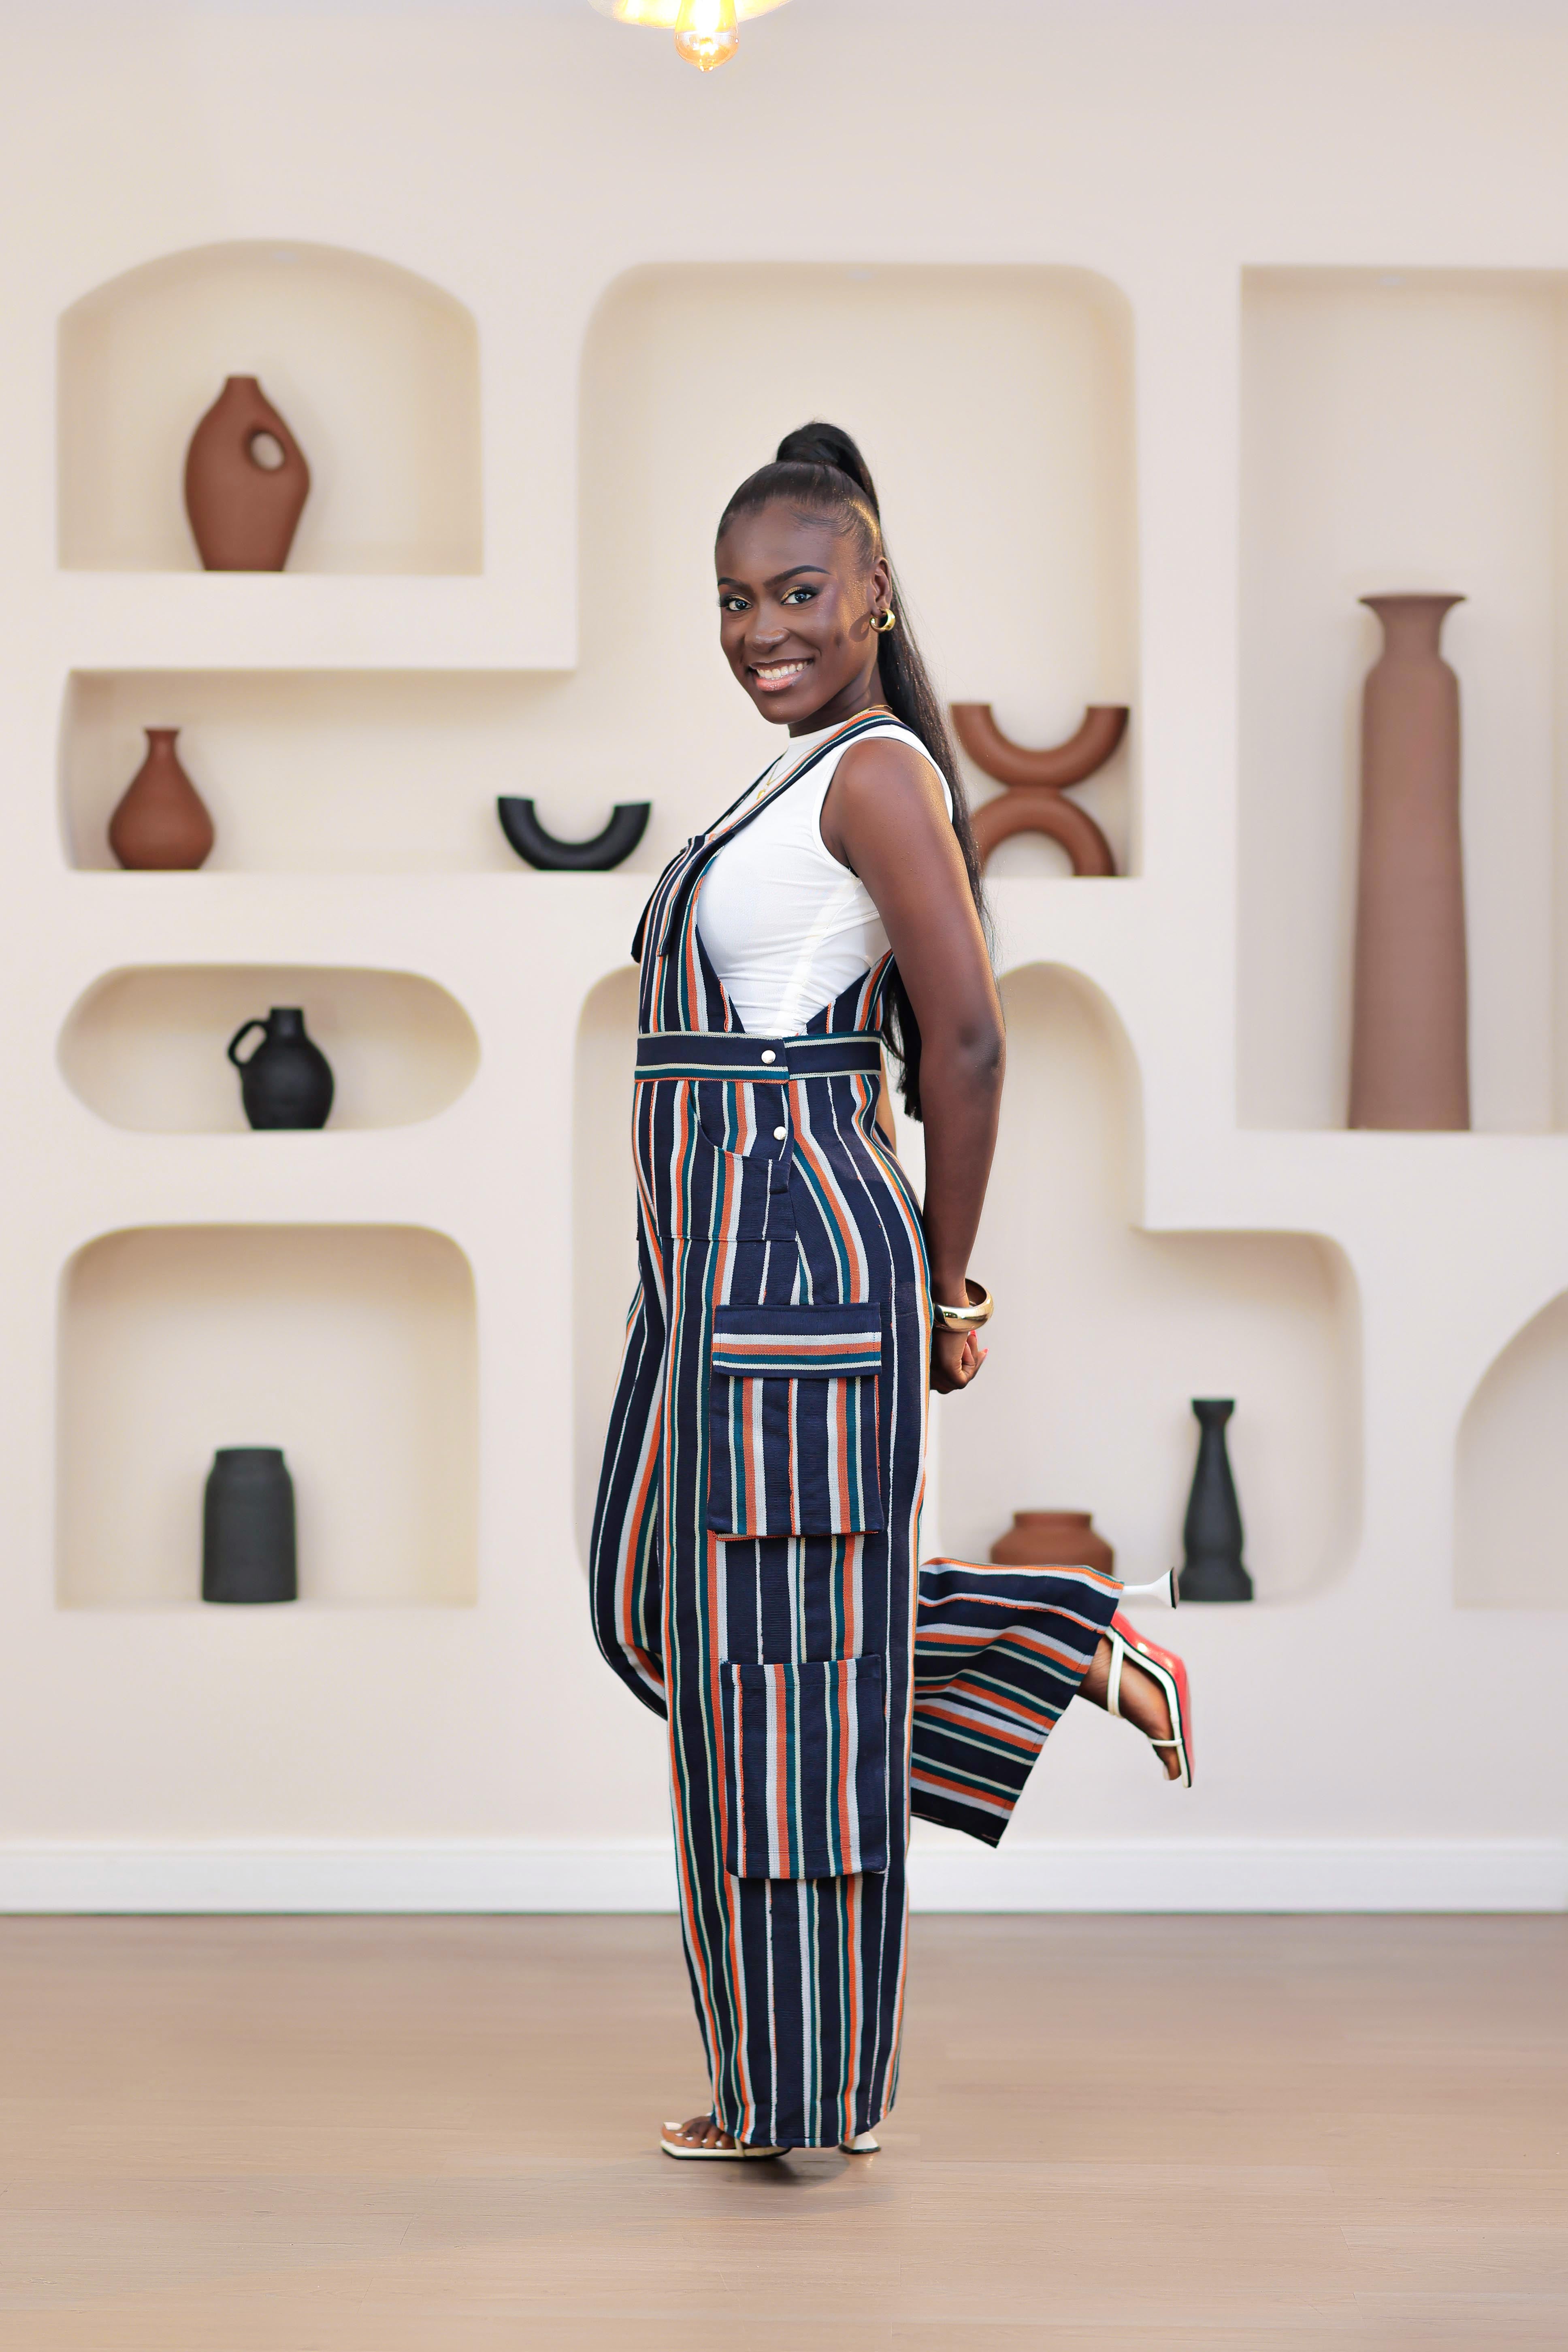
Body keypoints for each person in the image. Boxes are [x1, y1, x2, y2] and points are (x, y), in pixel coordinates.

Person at [590, 423, 1194, 2161]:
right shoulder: (787, 780)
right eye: (730, 599)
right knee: (674, 1618)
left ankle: (788, 2095)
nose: (758, 626)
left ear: (870, 597)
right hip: (708, 1264)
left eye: (794, 591)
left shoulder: (872, 774)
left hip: (791, 1250)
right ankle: (1065, 1635)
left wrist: (943, 1284)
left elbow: (972, 1038)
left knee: (776, 1659)